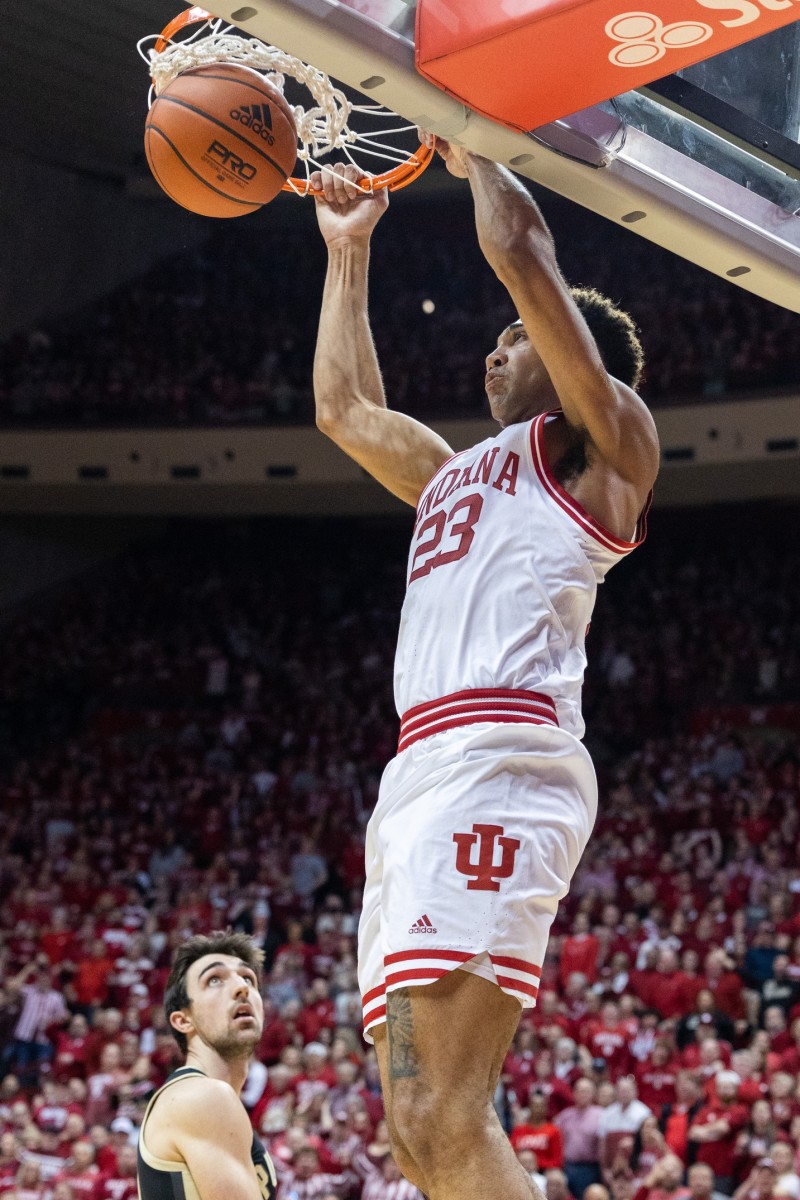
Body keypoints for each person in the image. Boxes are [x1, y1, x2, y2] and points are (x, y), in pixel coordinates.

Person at [312, 133, 657, 1200]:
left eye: (515, 339)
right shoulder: (454, 472)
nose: (492, 351)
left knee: (442, 1115)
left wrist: (473, 145)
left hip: (505, 757)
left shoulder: (604, 447)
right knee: (412, 1135)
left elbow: (521, 252)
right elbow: (342, 411)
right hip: (417, 772)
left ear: (565, 357)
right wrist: (346, 248)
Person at [136, 930, 277, 1200]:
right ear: (183, 1020)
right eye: (214, 980)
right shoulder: (204, 1097)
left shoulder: (200, 1096)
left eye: (248, 978)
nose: (242, 987)